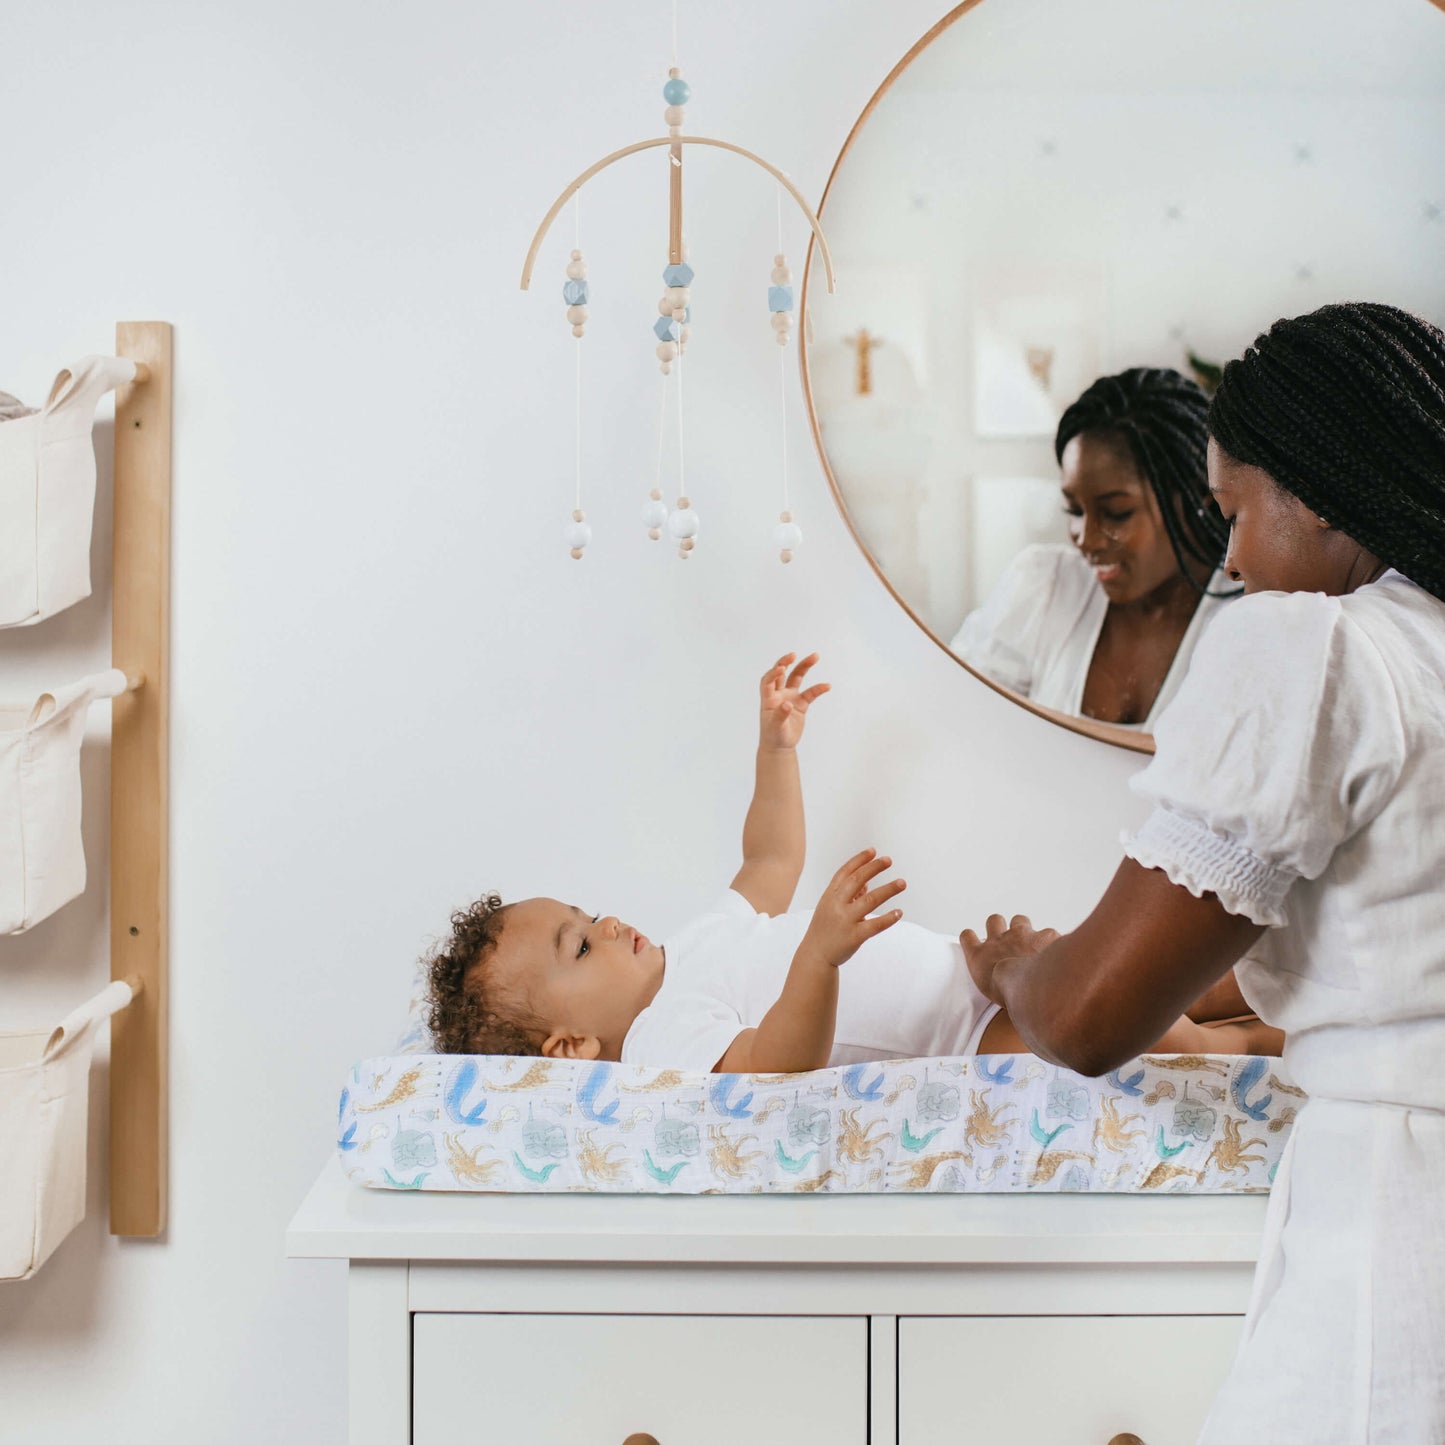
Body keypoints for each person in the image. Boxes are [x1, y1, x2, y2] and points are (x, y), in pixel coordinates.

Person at [960, 302, 1445, 1441]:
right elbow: (1378, 941)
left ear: (1315, 491)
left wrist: (1018, 966)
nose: (1228, 557)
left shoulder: (1318, 646)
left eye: (1232, 512)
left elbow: (1085, 1020)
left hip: (1397, 1212)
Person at [425, 653, 1280, 1074]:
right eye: (580, 946)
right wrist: (817, 957)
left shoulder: (693, 946)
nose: (607, 924)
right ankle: (1268, 1048)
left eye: (587, 913)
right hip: (974, 1037)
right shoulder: (660, 1043)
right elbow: (774, 1067)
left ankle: (1289, 998)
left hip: (973, 978)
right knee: (1176, 1038)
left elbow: (769, 856)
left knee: (1172, 976)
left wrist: (776, 748)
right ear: (571, 1046)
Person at [951, 367, 1237, 726]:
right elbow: (957, 723)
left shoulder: (1248, 617)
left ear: (1200, 494)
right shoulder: (1043, 587)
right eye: (1074, 509)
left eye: (1116, 513)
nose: (1086, 540)